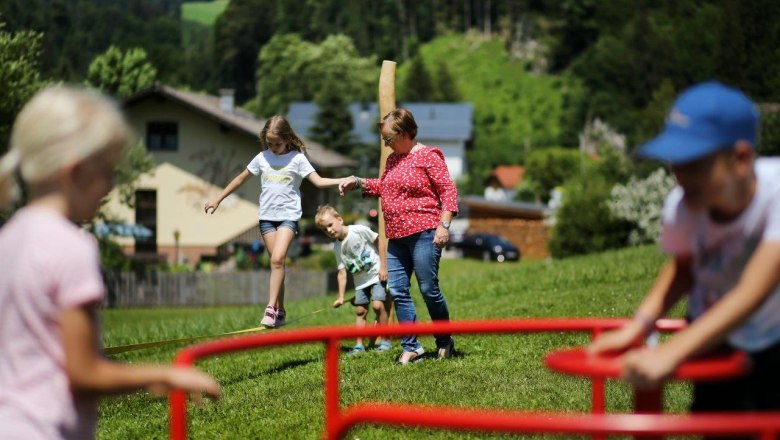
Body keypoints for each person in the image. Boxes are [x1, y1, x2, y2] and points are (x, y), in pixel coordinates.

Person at [0, 86, 220, 440]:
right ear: (75, 172)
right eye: (107, 172)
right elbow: (84, 372)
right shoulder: (71, 247)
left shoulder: (8, 239)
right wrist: (165, 374)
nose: (111, 187)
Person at [589, 82, 780, 418]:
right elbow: (683, 268)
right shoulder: (682, 206)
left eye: (694, 163)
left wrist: (671, 352)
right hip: (709, 335)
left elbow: (752, 291)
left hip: (771, 338)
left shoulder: (775, 195)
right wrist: (638, 327)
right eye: (676, 163)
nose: (681, 177)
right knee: (714, 421)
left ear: (740, 159)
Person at [205, 115, 350, 328]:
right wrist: (218, 198)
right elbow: (240, 179)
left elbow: (318, 182)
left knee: (277, 259)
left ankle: (270, 308)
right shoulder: (262, 157)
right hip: (266, 218)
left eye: (277, 144)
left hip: (288, 217)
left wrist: (343, 180)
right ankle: (280, 310)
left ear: (287, 138)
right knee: (277, 263)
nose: (273, 148)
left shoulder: (297, 159)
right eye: (269, 143)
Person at [339, 108, 459, 365]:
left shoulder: (429, 156)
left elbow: (448, 191)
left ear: (406, 133)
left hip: (425, 233)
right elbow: (384, 186)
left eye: (389, 139)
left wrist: (444, 225)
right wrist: (357, 182)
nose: (386, 144)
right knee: (397, 290)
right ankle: (411, 347)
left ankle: (444, 340)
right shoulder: (393, 159)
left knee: (428, 289)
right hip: (396, 237)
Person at [315, 205, 391, 355]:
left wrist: (383, 267)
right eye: (324, 229)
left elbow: (380, 242)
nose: (329, 230)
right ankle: (359, 346)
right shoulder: (337, 247)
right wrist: (341, 297)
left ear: (339, 219)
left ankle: (385, 340)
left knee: (377, 306)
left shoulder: (358, 230)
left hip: (376, 274)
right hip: (360, 282)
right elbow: (341, 273)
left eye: (330, 225)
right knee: (360, 311)